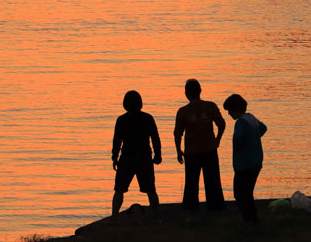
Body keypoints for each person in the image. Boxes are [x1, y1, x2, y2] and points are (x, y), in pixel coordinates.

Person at [174, 79, 226, 210]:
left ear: (186, 93)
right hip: (209, 149)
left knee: (191, 182)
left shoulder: (183, 111)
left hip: (192, 152)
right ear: (200, 91)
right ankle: (216, 207)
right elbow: (222, 124)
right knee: (213, 181)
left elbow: (177, 134)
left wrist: (178, 150)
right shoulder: (210, 106)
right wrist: (218, 139)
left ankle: (191, 208)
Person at [111, 90, 162, 216]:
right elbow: (155, 138)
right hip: (144, 157)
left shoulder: (122, 120)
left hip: (127, 157)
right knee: (151, 190)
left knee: (119, 190)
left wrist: (114, 157)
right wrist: (158, 155)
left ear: (125, 104)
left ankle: (114, 217)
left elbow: (117, 140)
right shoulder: (148, 118)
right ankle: (156, 215)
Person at [222, 94, 268, 223]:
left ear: (235, 109)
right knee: (248, 193)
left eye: (230, 111)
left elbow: (238, 138)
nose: (229, 114)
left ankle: (249, 220)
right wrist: (253, 139)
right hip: (256, 161)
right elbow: (264, 128)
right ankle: (253, 220)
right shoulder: (251, 118)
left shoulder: (240, 122)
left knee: (239, 194)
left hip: (244, 164)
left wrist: (243, 147)